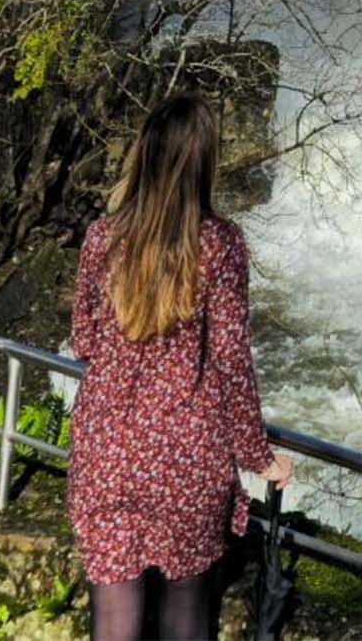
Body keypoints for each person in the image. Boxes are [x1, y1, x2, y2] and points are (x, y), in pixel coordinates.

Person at [69, 94, 293, 641]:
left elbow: (84, 340)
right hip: (185, 457)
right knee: (187, 613)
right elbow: (232, 361)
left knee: (114, 616)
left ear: (143, 154)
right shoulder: (218, 244)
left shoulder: (103, 237)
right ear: (203, 165)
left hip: (109, 450)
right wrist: (260, 458)